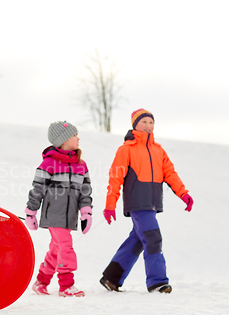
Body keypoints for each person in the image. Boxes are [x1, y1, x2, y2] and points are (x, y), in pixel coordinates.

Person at [100, 109, 194, 294]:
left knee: (136, 240)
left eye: (151, 122)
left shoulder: (158, 150)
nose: (148, 126)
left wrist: (183, 194)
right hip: (137, 203)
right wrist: (110, 205)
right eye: (144, 122)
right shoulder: (126, 149)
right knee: (152, 237)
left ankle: (111, 278)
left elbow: (170, 174)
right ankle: (158, 282)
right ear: (135, 125)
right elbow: (115, 178)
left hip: (152, 203)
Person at [25, 121, 93, 297]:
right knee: (65, 246)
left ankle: (41, 282)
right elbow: (37, 189)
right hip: (53, 214)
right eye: (74, 135)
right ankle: (66, 285)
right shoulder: (48, 163)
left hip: (70, 216)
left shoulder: (81, 165)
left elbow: (85, 191)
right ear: (63, 140)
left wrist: (86, 212)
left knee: (56, 250)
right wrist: (31, 212)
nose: (78, 138)